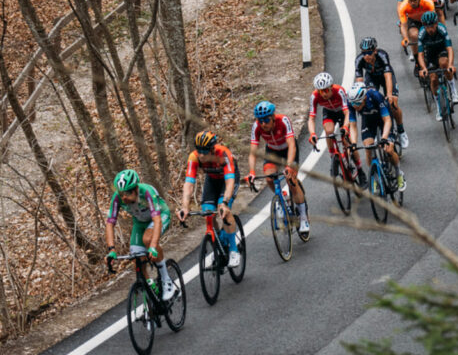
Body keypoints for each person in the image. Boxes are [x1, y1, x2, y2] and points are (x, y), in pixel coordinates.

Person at [105, 169, 175, 301]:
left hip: (160, 216)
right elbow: (110, 223)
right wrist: (111, 250)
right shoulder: (117, 198)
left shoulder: (146, 192)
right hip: (140, 223)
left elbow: (157, 220)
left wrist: (153, 246)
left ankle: (167, 281)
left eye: (128, 192)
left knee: (148, 239)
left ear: (136, 188)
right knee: (136, 257)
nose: (124, 197)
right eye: (121, 193)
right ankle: (151, 287)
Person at [178, 131, 241, 266]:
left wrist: (224, 202)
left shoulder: (223, 155)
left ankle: (234, 250)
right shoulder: (194, 158)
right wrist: (185, 206)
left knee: (224, 210)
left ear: (212, 150)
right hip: (212, 180)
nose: (201, 154)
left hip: (228, 179)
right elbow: (189, 184)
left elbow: (229, 182)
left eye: (204, 151)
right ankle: (217, 244)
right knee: (207, 212)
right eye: (198, 150)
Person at [248, 101, 309, 234]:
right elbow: (253, 152)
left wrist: (288, 166)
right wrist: (251, 172)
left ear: (273, 117)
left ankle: (303, 217)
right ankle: (283, 199)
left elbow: (292, 144)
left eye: (266, 120)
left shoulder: (283, 121)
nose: (263, 124)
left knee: (291, 181)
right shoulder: (257, 127)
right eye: (260, 120)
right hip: (273, 151)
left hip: (288, 150)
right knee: (269, 179)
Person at [307, 72, 365, 184]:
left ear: (331, 87)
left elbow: (347, 112)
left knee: (347, 142)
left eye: (325, 90)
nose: (323, 94)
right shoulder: (314, 96)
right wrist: (312, 134)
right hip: (329, 112)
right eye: (320, 91)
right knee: (328, 131)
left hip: (343, 112)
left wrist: (345, 127)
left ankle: (360, 170)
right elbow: (311, 118)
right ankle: (333, 157)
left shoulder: (339, 91)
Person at [347, 83, 406, 192]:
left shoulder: (375, 96)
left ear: (364, 97)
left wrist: (384, 139)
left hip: (384, 119)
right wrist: (354, 143)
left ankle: (399, 173)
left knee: (388, 149)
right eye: (353, 103)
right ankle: (373, 174)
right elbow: (353, 125)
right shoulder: (350, 102)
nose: (355, 106)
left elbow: (387, 120)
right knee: (368, 148)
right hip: (368, 121)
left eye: (358, 103)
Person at [355, 37, 409, 148]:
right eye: (364, 53)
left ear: (375, 51)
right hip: (371, 78)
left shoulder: (382, 55)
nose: (366, 56)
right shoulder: (359, 60)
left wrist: (389, 95)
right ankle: (376, 129)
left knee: (393, 103)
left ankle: (401, 130)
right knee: (370, 98)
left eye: (369, 53)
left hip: (385, 77)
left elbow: (388, 77)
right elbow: (359, 83)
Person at [417, 10, 458, 121]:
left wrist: (451, 65)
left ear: (436, 24)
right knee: (433, 78)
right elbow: (420, 54)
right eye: (427, 26)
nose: (430, 29)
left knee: (444, 64)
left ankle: (454, 91)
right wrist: (424, 68)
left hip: (441, 51)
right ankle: (439, 108)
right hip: (430, 55)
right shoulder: (422, 34)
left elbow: (449, 49)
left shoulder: (442, 29)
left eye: (432, 26)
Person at [398, 0, 436, 67]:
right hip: (413, 21)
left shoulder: (428, 2)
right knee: (413, 36)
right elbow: (403, 26)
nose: (412, 2)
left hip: (427, 20)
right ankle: (417, 62)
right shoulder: (403, 7)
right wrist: (406, 38)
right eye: (410, 0)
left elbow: (434, 19)